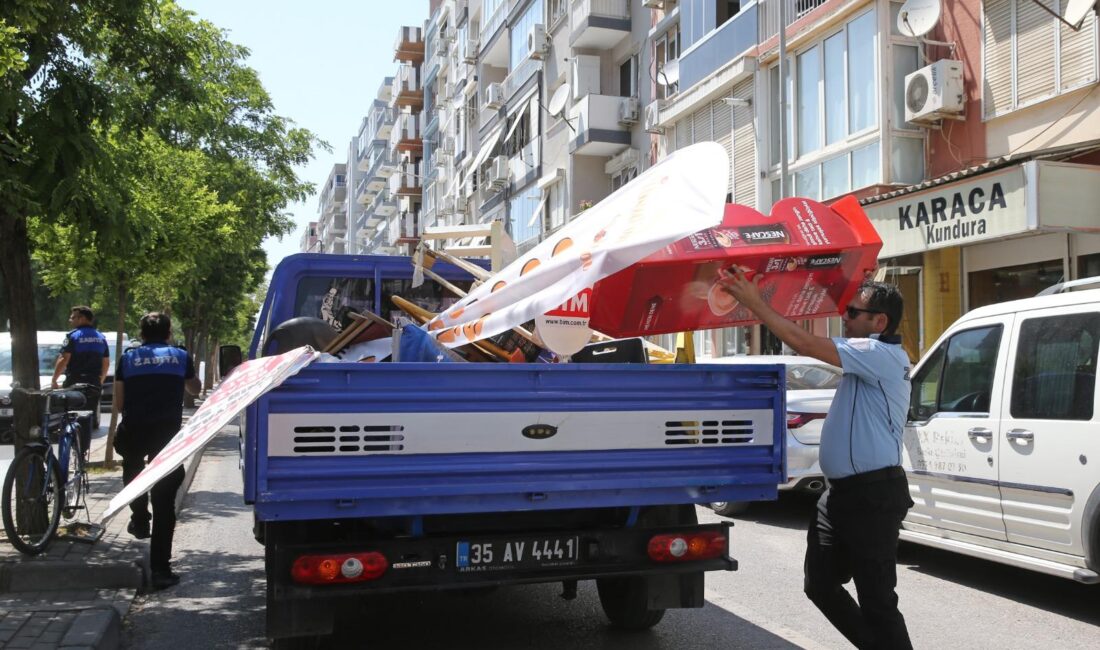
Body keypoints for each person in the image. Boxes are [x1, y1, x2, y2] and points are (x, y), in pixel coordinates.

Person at [718, 269, 913, 649]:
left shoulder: (880, 354)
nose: (846, 316)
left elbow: (802, 342)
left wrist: (755, 302)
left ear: (880, 322)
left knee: (878, 602)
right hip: (840, 495)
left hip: (872, 496)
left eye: (854, 312)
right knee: (820, 584)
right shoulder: (862, 359)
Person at [113, 312, 201, 591]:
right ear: (168, 333)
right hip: (167, 437)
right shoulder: (179, 356)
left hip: (134, 430)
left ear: (141, 333)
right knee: (165, 504)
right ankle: (161, 571)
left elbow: (118, 403)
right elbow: (195, 390)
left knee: (133, 472)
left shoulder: (127, 358)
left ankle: (139, 518)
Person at [52, 306, 110, 445]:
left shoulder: (73, 336)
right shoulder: (101, 338)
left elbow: (64, 359)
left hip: (74, 381)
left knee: (68, 413)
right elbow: (106, 363)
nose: (70, 320)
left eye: (73, 317)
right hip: (93, 382)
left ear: (82, 318)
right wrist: (99, 381)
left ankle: (68, 444)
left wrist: (54, 379)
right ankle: (82, 451)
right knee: (87, 416)